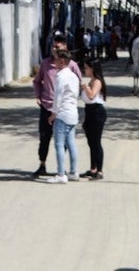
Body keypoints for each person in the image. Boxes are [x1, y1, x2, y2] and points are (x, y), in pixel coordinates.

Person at [31, 36, 82, 179]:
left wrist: (72, 101)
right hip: (47, 106)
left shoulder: (71, 65)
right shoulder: (46, 63)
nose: (54, 49)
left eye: (58, 47)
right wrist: (38, 96)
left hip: (61, 110)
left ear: (64, 48)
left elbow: (78, 83)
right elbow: (37, 81)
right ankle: (42, 164)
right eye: (53, 46)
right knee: (44, 137)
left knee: (63, 141)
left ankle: (62, 170)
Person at [46, 51, 81, 183]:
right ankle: (73, 171)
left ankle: (61, 174)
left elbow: (58, 96)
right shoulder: (74, 76)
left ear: (62, 61)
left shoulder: (61, 76)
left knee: (59, 144)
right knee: (71, 143)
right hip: (73, 113)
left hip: (63, 114)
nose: (54, 62)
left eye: (56, 59)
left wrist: (53, 113)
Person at [80, 58, 107, 180]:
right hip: (89, 112)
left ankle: (100, 171)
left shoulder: (97, 82)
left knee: (96, 142)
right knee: (91, 143)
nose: (85, 70)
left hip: (97, 112)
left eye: (86, 67)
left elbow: (91, 96)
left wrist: (85, 87)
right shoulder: (91, 81)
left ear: (92, 68)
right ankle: (93, 168)